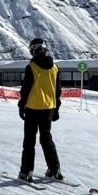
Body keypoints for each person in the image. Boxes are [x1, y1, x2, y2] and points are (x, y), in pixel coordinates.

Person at [17, 38, 62, 182]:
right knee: (46, 139)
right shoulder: (54, 68)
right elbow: (57, 90)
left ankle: (26, 171)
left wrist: (21, 105)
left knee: (29, 141)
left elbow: (26, 89)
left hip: (33, 107)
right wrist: (56, 108)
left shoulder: (32, 67)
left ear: (33, 50)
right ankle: (54, 169)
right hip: (48, 108)